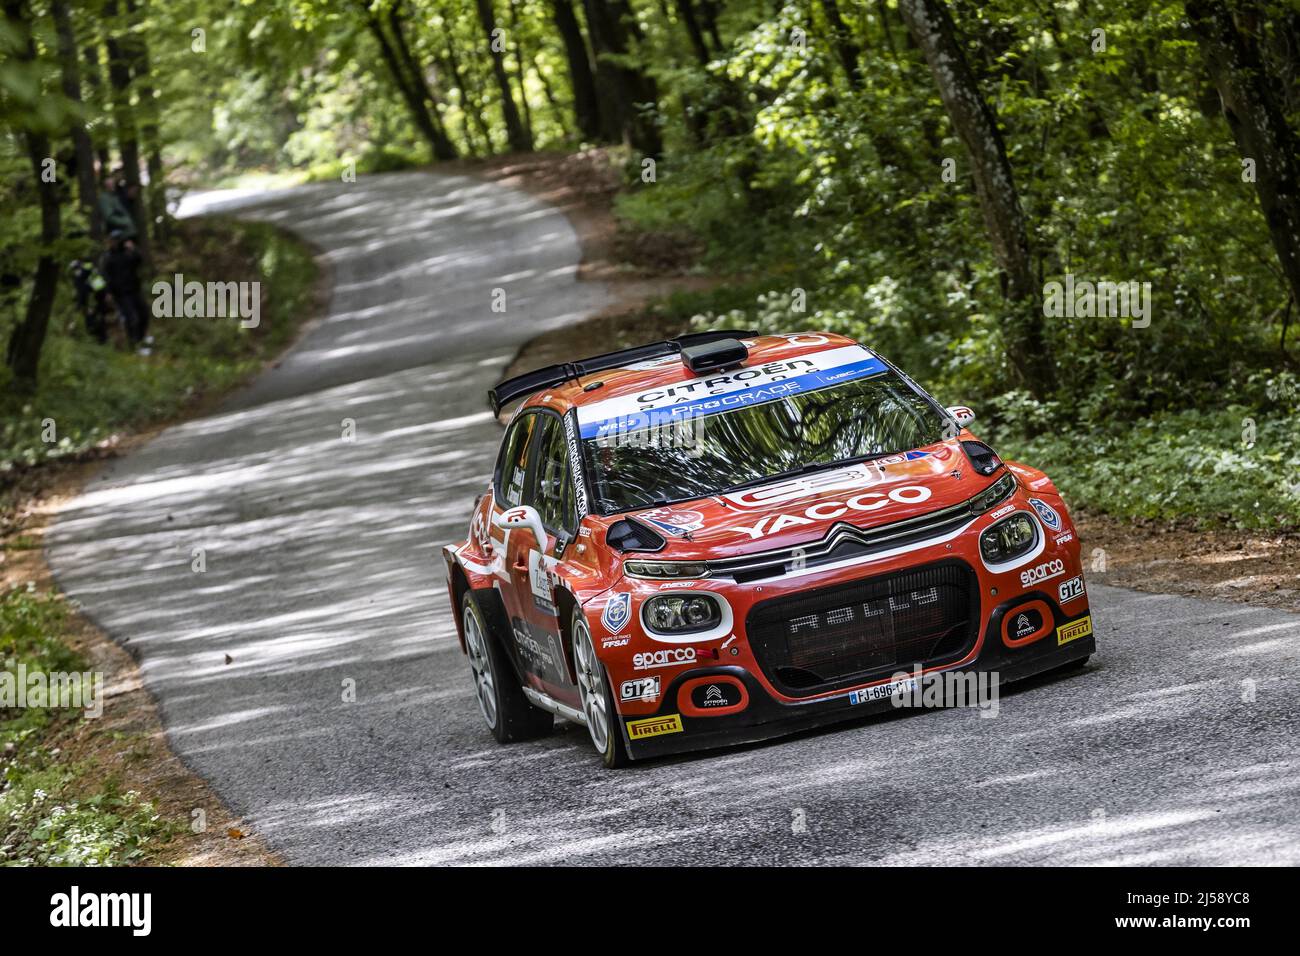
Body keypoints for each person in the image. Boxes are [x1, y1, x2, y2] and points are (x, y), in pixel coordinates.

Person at [100, 230, 149, 351]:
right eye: (112, 240)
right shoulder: (108, 257)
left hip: (134, 290)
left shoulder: (128, 253)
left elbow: (139, 261)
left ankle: (140, 338)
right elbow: (105, 276)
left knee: (145, 314)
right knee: (131, 318)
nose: (114, 243)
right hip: (120, 293)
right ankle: (134, 345)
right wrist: (108, 293)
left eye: (117, 240)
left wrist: (134, 249)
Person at [68, 255, 112, 344]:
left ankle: (100, 339)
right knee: (97, 319)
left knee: (94, 319)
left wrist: (82, 305)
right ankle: (100, 339)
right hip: (98, 298)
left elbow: (84, 291)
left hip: (95, 300)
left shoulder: (83, 275)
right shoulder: (88, 270)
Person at [98, 172, 136, 240]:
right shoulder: (104, 198)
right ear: (106, 186)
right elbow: (109, 217)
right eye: (110, 184)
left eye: (113, 184)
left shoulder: (115, 196)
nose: (112, 186)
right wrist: (125, 222)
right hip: (116, 232)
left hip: (126, 231)